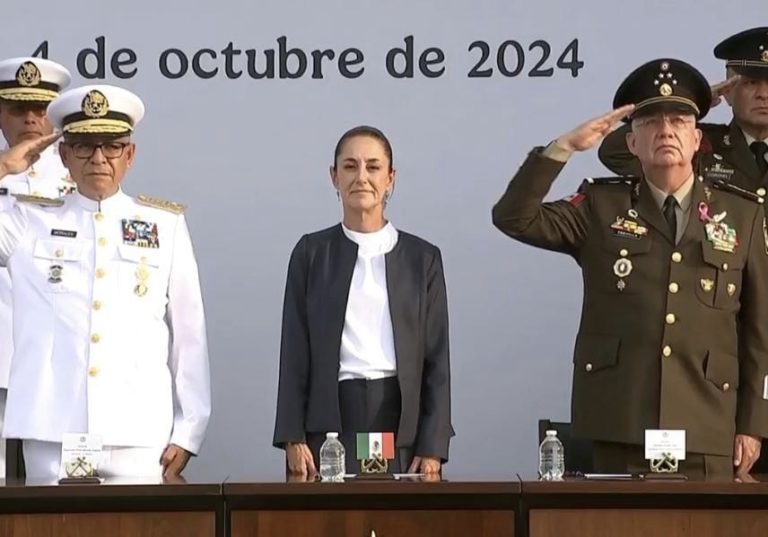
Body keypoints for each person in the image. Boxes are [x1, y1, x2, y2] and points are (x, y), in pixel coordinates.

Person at [492, 58, 768, 478]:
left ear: (698, 139)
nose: (666, 131)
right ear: (632, 143)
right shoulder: (601, 207)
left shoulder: (741, 214)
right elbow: (514, 217)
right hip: (620, 420)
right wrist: (562, 148)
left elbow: (758, 331)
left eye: (679, 121)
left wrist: (752, 424)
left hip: (709, 421)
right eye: (651, 122)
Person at [0, 84, 211, 479]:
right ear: (64, 155)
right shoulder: (28, 220)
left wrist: (189, 429)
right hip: (51, 426)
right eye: (84, 146)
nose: (98, 158)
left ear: (130, 155)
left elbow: (189, 335)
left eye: (111, 146)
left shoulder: (164, 225)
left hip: (138, 428)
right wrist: (5, 166)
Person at [273, 125, 453, 476]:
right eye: (350, 166)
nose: (362, 177)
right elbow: (294, 350)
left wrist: (433, 446)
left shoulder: (422, 259)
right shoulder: (311, 253)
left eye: (373, 167)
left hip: (404, 428)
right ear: (334, 176)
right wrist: (292, 435)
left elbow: (437, 358)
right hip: (329, 428)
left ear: (390, 178)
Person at [0, 57, 72, 477]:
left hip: (52, 366)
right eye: (17, 109)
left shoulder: (82, 176)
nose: (30, 119)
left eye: (40, 109)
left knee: (51, 490)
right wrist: (5, 167)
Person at [599, 28, 768, 192]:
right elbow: (614, 152)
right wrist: (690, 104)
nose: (763, 94)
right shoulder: (696, 143)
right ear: (728, 93)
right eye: (751, 83)